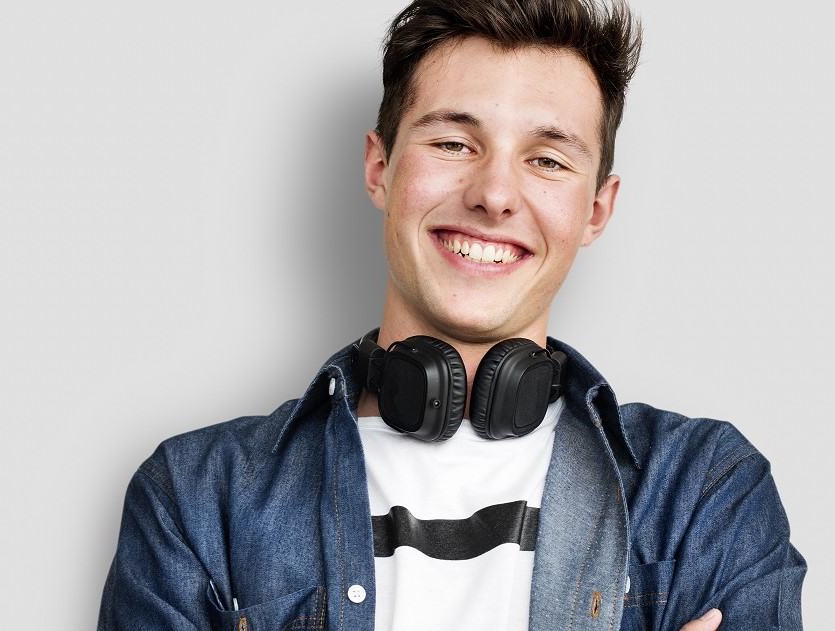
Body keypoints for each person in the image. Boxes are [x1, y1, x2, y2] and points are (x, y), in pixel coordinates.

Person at [97, 0, 806, 629]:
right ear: (380, 168)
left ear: (595, 209)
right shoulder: (196, 498)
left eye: (548, 160)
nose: (494, 194)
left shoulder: (701, 491)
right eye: (453, 143)